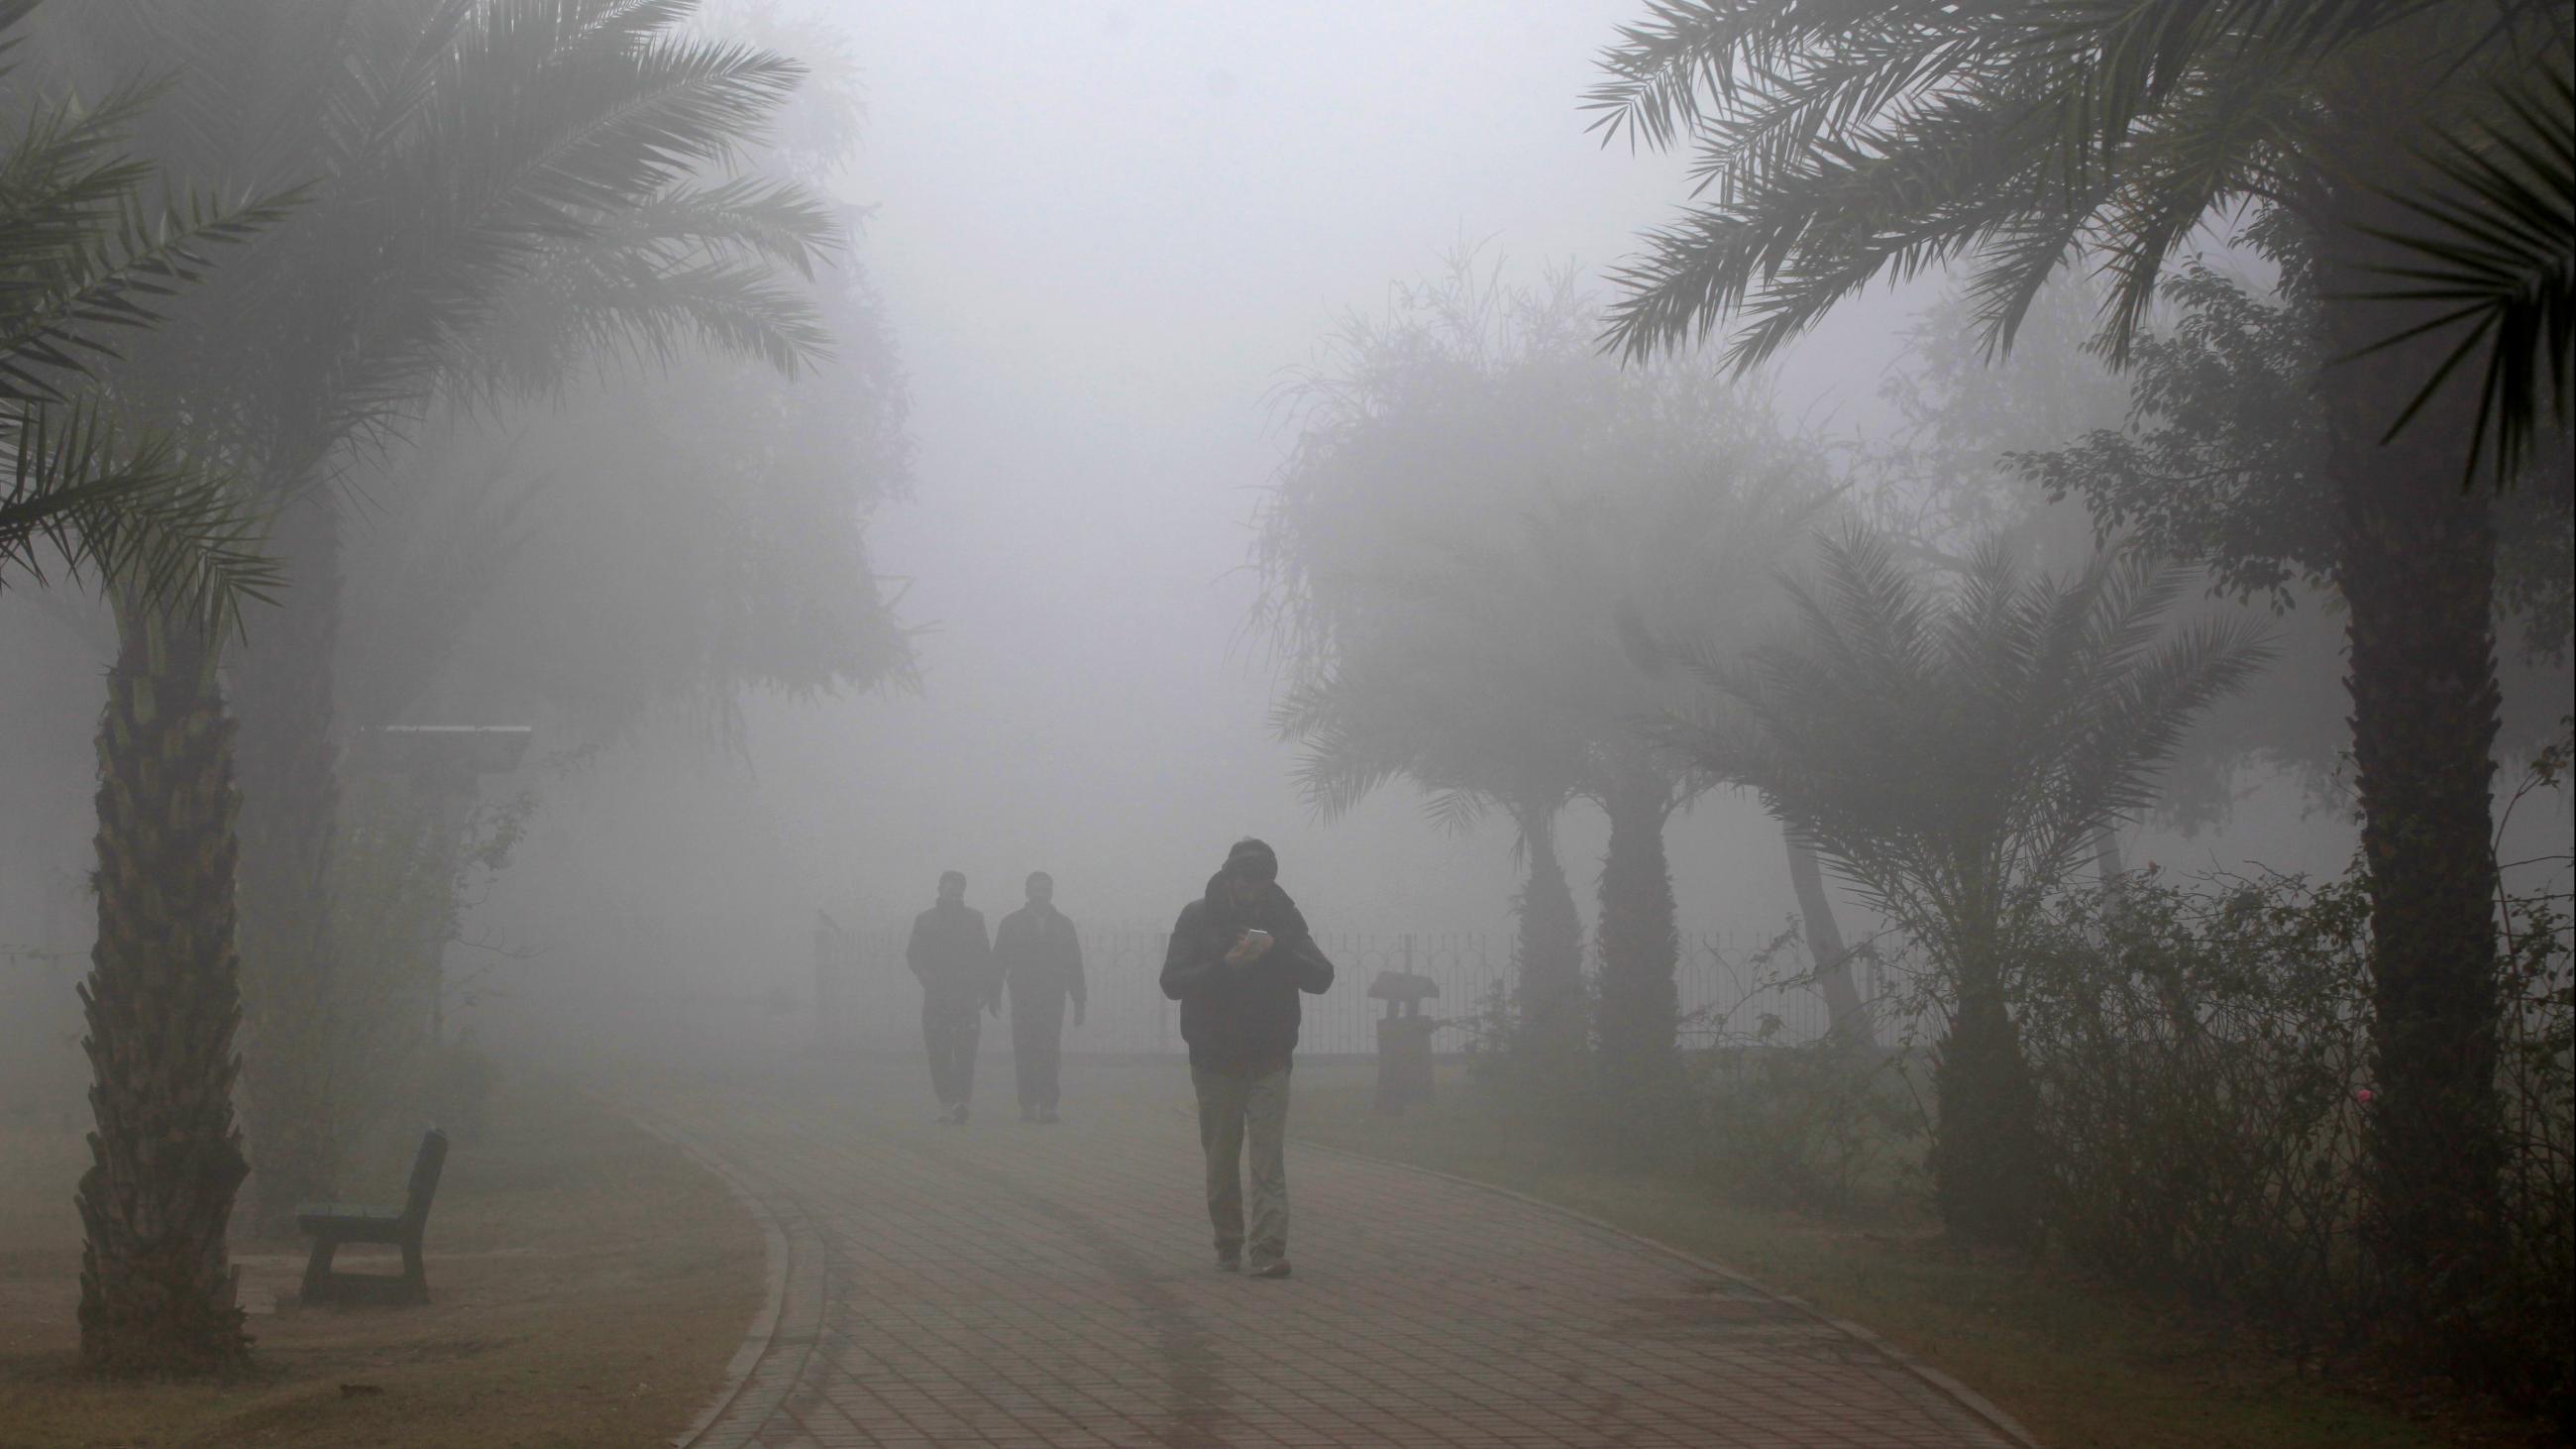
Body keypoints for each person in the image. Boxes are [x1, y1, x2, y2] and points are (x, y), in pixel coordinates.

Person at [1158, 837, 1334, 1279]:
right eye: (1243, 878)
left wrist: (1276, 952)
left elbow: (1321, 975)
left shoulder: (1284, 919)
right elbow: (1172, 981)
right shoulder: (1198, 917)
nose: (1250, 888)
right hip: (1216, 1058)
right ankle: (1228, 1243)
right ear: (1228, 877)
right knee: (1221, 1161)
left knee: (1267, 1159)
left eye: (1259, 880)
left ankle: (1268, 1250)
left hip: (1270, 1057)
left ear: (1270, 880)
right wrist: (1225, 966)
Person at [995, 870, 1087, 1123]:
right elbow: (999, 960)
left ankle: (1048, 1103)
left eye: (1046, 890)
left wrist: (1079, 1000)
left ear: (1051, 893)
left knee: (1049, 1049)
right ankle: (1027, 1103)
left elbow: (1074, 964)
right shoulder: (1011, 923)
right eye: (1036, 889)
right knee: (1024, 1049)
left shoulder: (1063, 924)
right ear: (1027, 892)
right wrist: (993, 993)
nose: (1041, 895)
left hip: (1052, 997)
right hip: (1023, 996)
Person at [907, 870, 995, 1124]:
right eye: (950, 888)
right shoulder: (925, 920)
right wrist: (926, 976)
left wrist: (984, 989)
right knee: (939, 1052)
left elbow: (984, 955)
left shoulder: (974, 919)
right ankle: (945, 1103)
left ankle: (962, 1102)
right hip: (937, 997)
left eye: (959, 889)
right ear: (940, 889)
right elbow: (913, 954)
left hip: (966, 996)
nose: (955, 893)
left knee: (966, 1052)